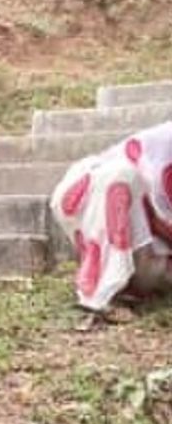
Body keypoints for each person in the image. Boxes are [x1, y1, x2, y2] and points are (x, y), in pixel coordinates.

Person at [50, 121, 172, 311]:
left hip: (143, 221)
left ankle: (120, 276)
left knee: (150, 277)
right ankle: (100, 289)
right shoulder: (164, 152)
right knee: (120, 178)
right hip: (97, 190)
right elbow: (158, 208)